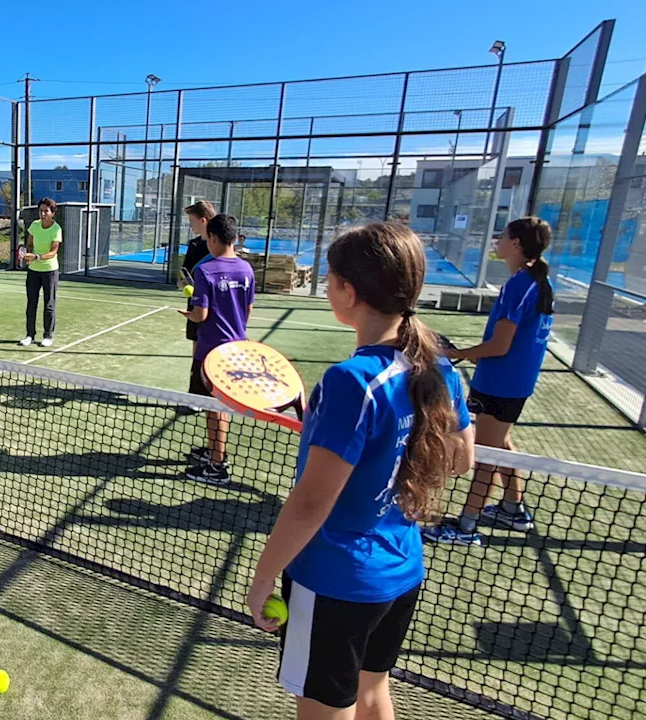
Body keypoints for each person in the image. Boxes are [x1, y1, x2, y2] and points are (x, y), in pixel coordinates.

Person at [245, 222, 474, 720]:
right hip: (401, 570)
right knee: (373, 695)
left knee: (327, 710)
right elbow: (461, 461)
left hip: (336, 579)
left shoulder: (352, 381)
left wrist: (262, 579)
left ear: (349, 290)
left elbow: (310, 504)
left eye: (329, 279)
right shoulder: (440, 366)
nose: (326, 287)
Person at [424, 217, 554, 546]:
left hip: (502, 384)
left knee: (485, 453)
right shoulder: (531, 282)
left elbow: (500, 346)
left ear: (516, 244)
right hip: (507, 382)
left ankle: (466, 527)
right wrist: (466, 353)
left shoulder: (520, 285)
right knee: (500, 444)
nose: (497, 240)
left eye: (503, 236)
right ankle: (513, 508)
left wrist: (454, 351)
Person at [179, 214, 255, 485]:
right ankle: (214, 451)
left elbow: (201, 314)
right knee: (220, 406)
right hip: (236, 348)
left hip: (211, 352)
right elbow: (248, 310)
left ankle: (217, 465)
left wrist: (186, 314)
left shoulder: (205, 271)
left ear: (212, 238)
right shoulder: (246, 269)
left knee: (214, 407)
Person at [178, 200, 218, 417]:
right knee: (198, 354)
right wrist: (184, 284)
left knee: (212, 357)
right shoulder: (193, 245)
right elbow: (184, 275)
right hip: (195, 308)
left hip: (214, 311)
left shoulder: (220, 246)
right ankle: (196, 397)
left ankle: (210, 397)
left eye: (192, 221)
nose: (191, 225)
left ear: (203, 220)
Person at [20, 198, 61, 347]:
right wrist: (27, 254)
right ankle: (29, 335)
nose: (42, 214)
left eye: (46, 211)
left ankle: (48, 336)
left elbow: (53, 252)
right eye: (41, 210)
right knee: (31, 304)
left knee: (49, 305)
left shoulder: (56, 229)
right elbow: (29, 244)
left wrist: (37, 257)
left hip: (50, 271)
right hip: (33, 271)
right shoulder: (35, 226)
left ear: (52, 213)